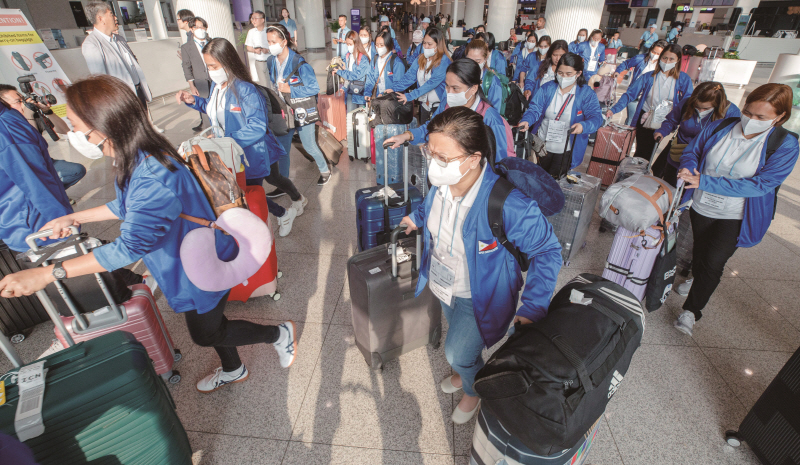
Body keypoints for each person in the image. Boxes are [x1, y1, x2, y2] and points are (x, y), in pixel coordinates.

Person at [0, 74, 298, 393]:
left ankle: (280, 335)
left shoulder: (151, 174)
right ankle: (233, 368)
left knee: (206, 333)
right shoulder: (136, 156)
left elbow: (125, 249)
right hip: (188, 260)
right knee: (208, 323)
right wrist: (74, 216)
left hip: (202, 267)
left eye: (75, 126)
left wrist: (48, 274)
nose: (72, 134)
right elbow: (126, 206)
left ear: (102, 127)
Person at [396, 106, 562, 424]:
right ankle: (464, 372)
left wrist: (534, 306)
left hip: (481, 295)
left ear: (474, 159)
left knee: (456, 351)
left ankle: (473, 389)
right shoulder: (440, 183)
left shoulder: (508, 203)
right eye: (430, 153)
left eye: (443, 158)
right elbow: (429, 205)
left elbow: (548, 251)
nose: (433, 164)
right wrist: (416, 219)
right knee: (459, 344)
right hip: (445, 282)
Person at [672, 83, 798, 337]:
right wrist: (687, 167)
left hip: (737, 213)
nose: (751, 120)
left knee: (714, 261)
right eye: (749, 112)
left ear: (780, 116)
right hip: (702, 204)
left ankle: (691, 311)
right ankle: (696, 278)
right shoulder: (722, 126)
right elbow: (693, 151)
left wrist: (706, 181)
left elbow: (763, 184)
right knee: (701, 249)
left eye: (760, 117)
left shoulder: (784, 144)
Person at [176, 38, 307, 237]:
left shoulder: (246, 90)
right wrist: (193, 101)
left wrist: (225, 138)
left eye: (214, 66)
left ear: (227, 63)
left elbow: (257, 126)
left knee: (251, 190)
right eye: (208, 66)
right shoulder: (217, 87)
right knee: (246, 190)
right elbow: (214, 110)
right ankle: (285, 210)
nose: (210, 71)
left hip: (250, 153)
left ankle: (286, 211)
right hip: (229, 152)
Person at [385, 59, 514, 161]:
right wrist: (407, 135)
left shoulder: (490, 119)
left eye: (455, 88)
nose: (449, 93)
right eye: (447, 86)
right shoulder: (447, 105)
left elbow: (500, 162)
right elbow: (432, 128)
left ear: (474, 89)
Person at [0, 87, 72, 253]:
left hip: (23, 220)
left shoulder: (8, 121)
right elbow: (33, 180)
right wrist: (59, 219)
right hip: (37, 225)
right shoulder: (7, 127)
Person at [265, 24, 332, 185]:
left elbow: (314, 88)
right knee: (283, 150)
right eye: (268, 42)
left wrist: (291, 89)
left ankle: (325, 170)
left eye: (273, 41)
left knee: (309, 145)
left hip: (302, 109)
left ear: (284, 41)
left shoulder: (300, 63)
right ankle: (283, 183)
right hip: (284, 111)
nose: (270, 46)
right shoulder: (270, 61)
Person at [518, 52, 604, 177]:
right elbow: (534, 109)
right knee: (536, 179)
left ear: (578, 73)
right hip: (542, 147)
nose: (564, 77)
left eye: (568, 74)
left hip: (566, 150)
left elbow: (596, 118)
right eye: (560, 73)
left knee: (555, 183)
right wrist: (527, 120)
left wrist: (584, 126)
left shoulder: (586, 94)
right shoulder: (547, 88)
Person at [81, 1, 161, 134]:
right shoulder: (91, 44)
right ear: (101, 18)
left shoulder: (119, 39)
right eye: (111, 14)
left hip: (137, 91)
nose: (116, 17)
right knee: (133, 133)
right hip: (121, 98)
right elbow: (100, 79)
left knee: (145, 130)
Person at [608, 43, 693, 162]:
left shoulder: (683, 79)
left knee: (650, 151)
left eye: (671, 59)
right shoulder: (648, 77)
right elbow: (630, 94)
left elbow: (688, 101)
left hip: (665, 121)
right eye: (664, 58)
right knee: (641, 152)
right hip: (645, 118)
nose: (667, 61)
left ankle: (640, 175)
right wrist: (613, 110)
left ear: (678, 60)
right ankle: (635, 175)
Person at [0, 85, 85, 196]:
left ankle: (54, 194)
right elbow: (30, 146)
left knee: (77, 170)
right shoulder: (5, 127)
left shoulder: (30, 115)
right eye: (18, 101)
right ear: (5, 106)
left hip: (43, 162)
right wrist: (29, 115)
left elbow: (64, 130)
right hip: (23, 170)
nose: (23, 104)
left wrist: (48, 112)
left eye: (23, 100)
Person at [653, 81, 740, 186]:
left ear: (717, 104)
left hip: (703, 162)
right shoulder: (686, 103)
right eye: (697, 107)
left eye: (706, 109)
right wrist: (662, 131)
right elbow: (671, 120)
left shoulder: (731, 113)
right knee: (668, 187)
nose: (700, 111)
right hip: (678, 155)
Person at [386, 27, 451, 124]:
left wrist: (409, 96)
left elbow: (430, 84)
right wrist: (394, 88)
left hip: (439, 106)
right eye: (424, 43)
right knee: (425, 133)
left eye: (430, 44)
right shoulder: (421, 58)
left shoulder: (444, 61)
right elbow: (409, 77)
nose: (426, 46)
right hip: (425, 104)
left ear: (438, 45)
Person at [615, 40, 667, 125]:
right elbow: (626, 64)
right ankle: (627, 136)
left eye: (658, 54)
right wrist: (618, 71)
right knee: (631, 120)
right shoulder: (640, 58)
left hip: (650, 100)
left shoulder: (663, 65)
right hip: (635, 96)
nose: (655, 55)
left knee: (644, 123)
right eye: (653, 52)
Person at [181, 16, 211, 132]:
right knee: (205, 109)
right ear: (192, 29)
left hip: (214, 80)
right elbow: (186, 67)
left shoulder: (212, 42)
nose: (200, 29)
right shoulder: (187, 47)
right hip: (200, 82)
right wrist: (192, 86)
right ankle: (210, 133)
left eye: (202, 27)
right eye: (197, 27)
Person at [334, 30, 372, 112]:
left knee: (361, 119)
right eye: (347, 44)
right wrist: (344, 88)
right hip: (350, 91)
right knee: (350, 117)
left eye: (350, 44)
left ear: (356, 43)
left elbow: (356, 75)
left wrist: (340, 72)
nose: (348, 46)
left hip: (361, 93)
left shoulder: (363, 58)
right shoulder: (348, 56)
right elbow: (348, 76)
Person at [364, 31, 406, 99]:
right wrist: (367, 93)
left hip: (392, 101)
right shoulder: (375, 60)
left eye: (381, 45)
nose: (378, 47)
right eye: (376, 45)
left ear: (388, 45)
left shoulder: (396, 62)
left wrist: (384, 94)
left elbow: (399, 85)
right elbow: (370, 78)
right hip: (379, 99)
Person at [465, 39, 503, 114]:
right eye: (469, 60)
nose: (473, 64)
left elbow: (495, 112)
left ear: (485, 59)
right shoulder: (458, 76)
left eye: (478, 61)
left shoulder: (492, 81)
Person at [245, 11, 270, 85]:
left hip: (270, 60)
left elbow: (275, 45)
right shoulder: (251, 32)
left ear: (262, 20)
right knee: (263, 84)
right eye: (252, 18)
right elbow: (248, 47)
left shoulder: (269, 31)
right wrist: (255, 50)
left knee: (272, 83)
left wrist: (268, 50)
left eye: (255, 18)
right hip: (259, 61)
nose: (253, 20)